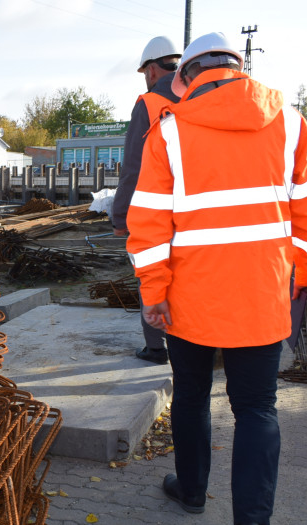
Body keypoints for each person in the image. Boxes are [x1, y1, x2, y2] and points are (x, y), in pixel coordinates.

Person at [125, 32, 307, 525]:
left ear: (189, 77)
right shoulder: (290, 124)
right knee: (257, 410)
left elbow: (148, 225)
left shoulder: (168, 133)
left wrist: (153, 294)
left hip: (189, 301)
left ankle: (192, 490)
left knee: (192, 395)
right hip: (264, 297)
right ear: (238, 70)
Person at [111, 36, 182, 365]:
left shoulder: (150, 103)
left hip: (157, 209)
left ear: (153, 69)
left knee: (153, 273)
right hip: (197, 210)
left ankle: (156, 347)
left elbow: (134, 167)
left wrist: (120, 216)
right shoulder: (200, 96)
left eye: (144, 73)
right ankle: (196, 343)